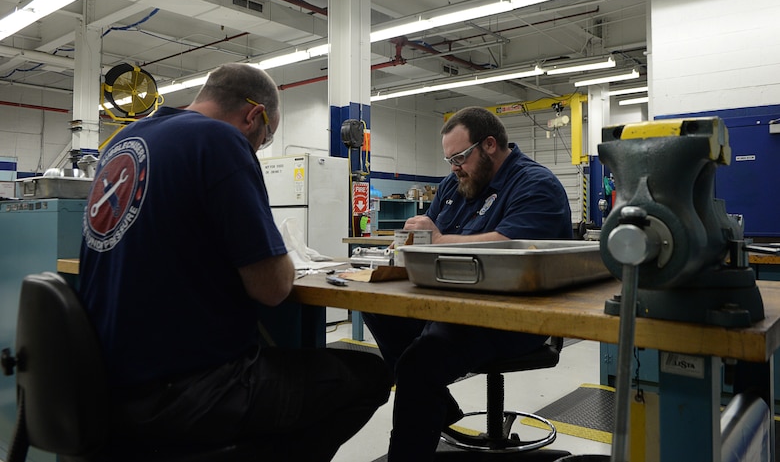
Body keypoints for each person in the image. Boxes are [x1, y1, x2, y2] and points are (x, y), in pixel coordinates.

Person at [79, 62, 392, 460]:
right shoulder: (220, 140)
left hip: (107, 385)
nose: (259, 148)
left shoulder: (124, 141)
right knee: (370, 374)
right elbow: (273, 287)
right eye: (265, 140)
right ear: (254, 116)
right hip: (188, 389)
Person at [362, 106, 572, 461]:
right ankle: (436, 403)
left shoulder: (536, 185)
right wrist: (407, 242)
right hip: (451, 305)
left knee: (418, 365)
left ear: (489, 145)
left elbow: (510, 248)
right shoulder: (456, 182)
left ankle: (422, 407)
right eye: (449, 160)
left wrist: (438, 240)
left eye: (459, 156)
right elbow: (429, 228)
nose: (454, 166)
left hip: (507, 316)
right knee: (377, 310)